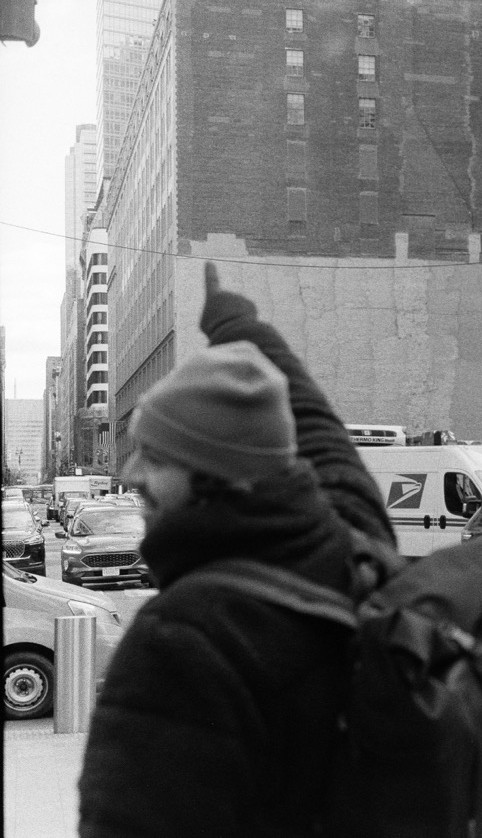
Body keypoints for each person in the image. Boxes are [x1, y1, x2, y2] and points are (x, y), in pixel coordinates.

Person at [79, 263, 397, 835]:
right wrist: (238, 326)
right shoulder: (360, 547)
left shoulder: (183, 641)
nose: (130, 476)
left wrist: (240, 328)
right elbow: (322, 433)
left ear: (213, 474)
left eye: (154, 457)